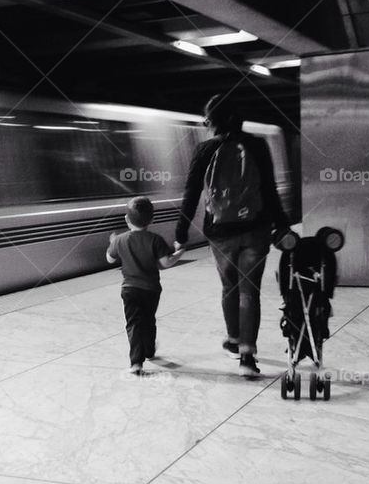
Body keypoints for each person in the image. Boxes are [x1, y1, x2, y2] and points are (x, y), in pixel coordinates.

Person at [174, 94, 289, 376]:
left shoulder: (205, 149)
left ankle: (234, 341)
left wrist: (181, 233)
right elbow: (270, 190)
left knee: (229, 287)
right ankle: (248, 359)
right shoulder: (257, 145)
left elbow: (191, 194)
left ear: (211, 121)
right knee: (250, 291)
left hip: (220, 231)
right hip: (256, 229)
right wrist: (282, 225)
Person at [107, 196, 185, 374]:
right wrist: (179, 252)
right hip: (151, 290)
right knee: (149, 320)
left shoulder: (120, 240)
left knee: (134, 323)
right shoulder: (155, 239)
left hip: (129, 289)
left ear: (126, 219)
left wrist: (113, 243)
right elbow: (166, 263)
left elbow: (109, 259)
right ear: (152, 219)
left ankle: (136, 362)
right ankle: (149, 351)